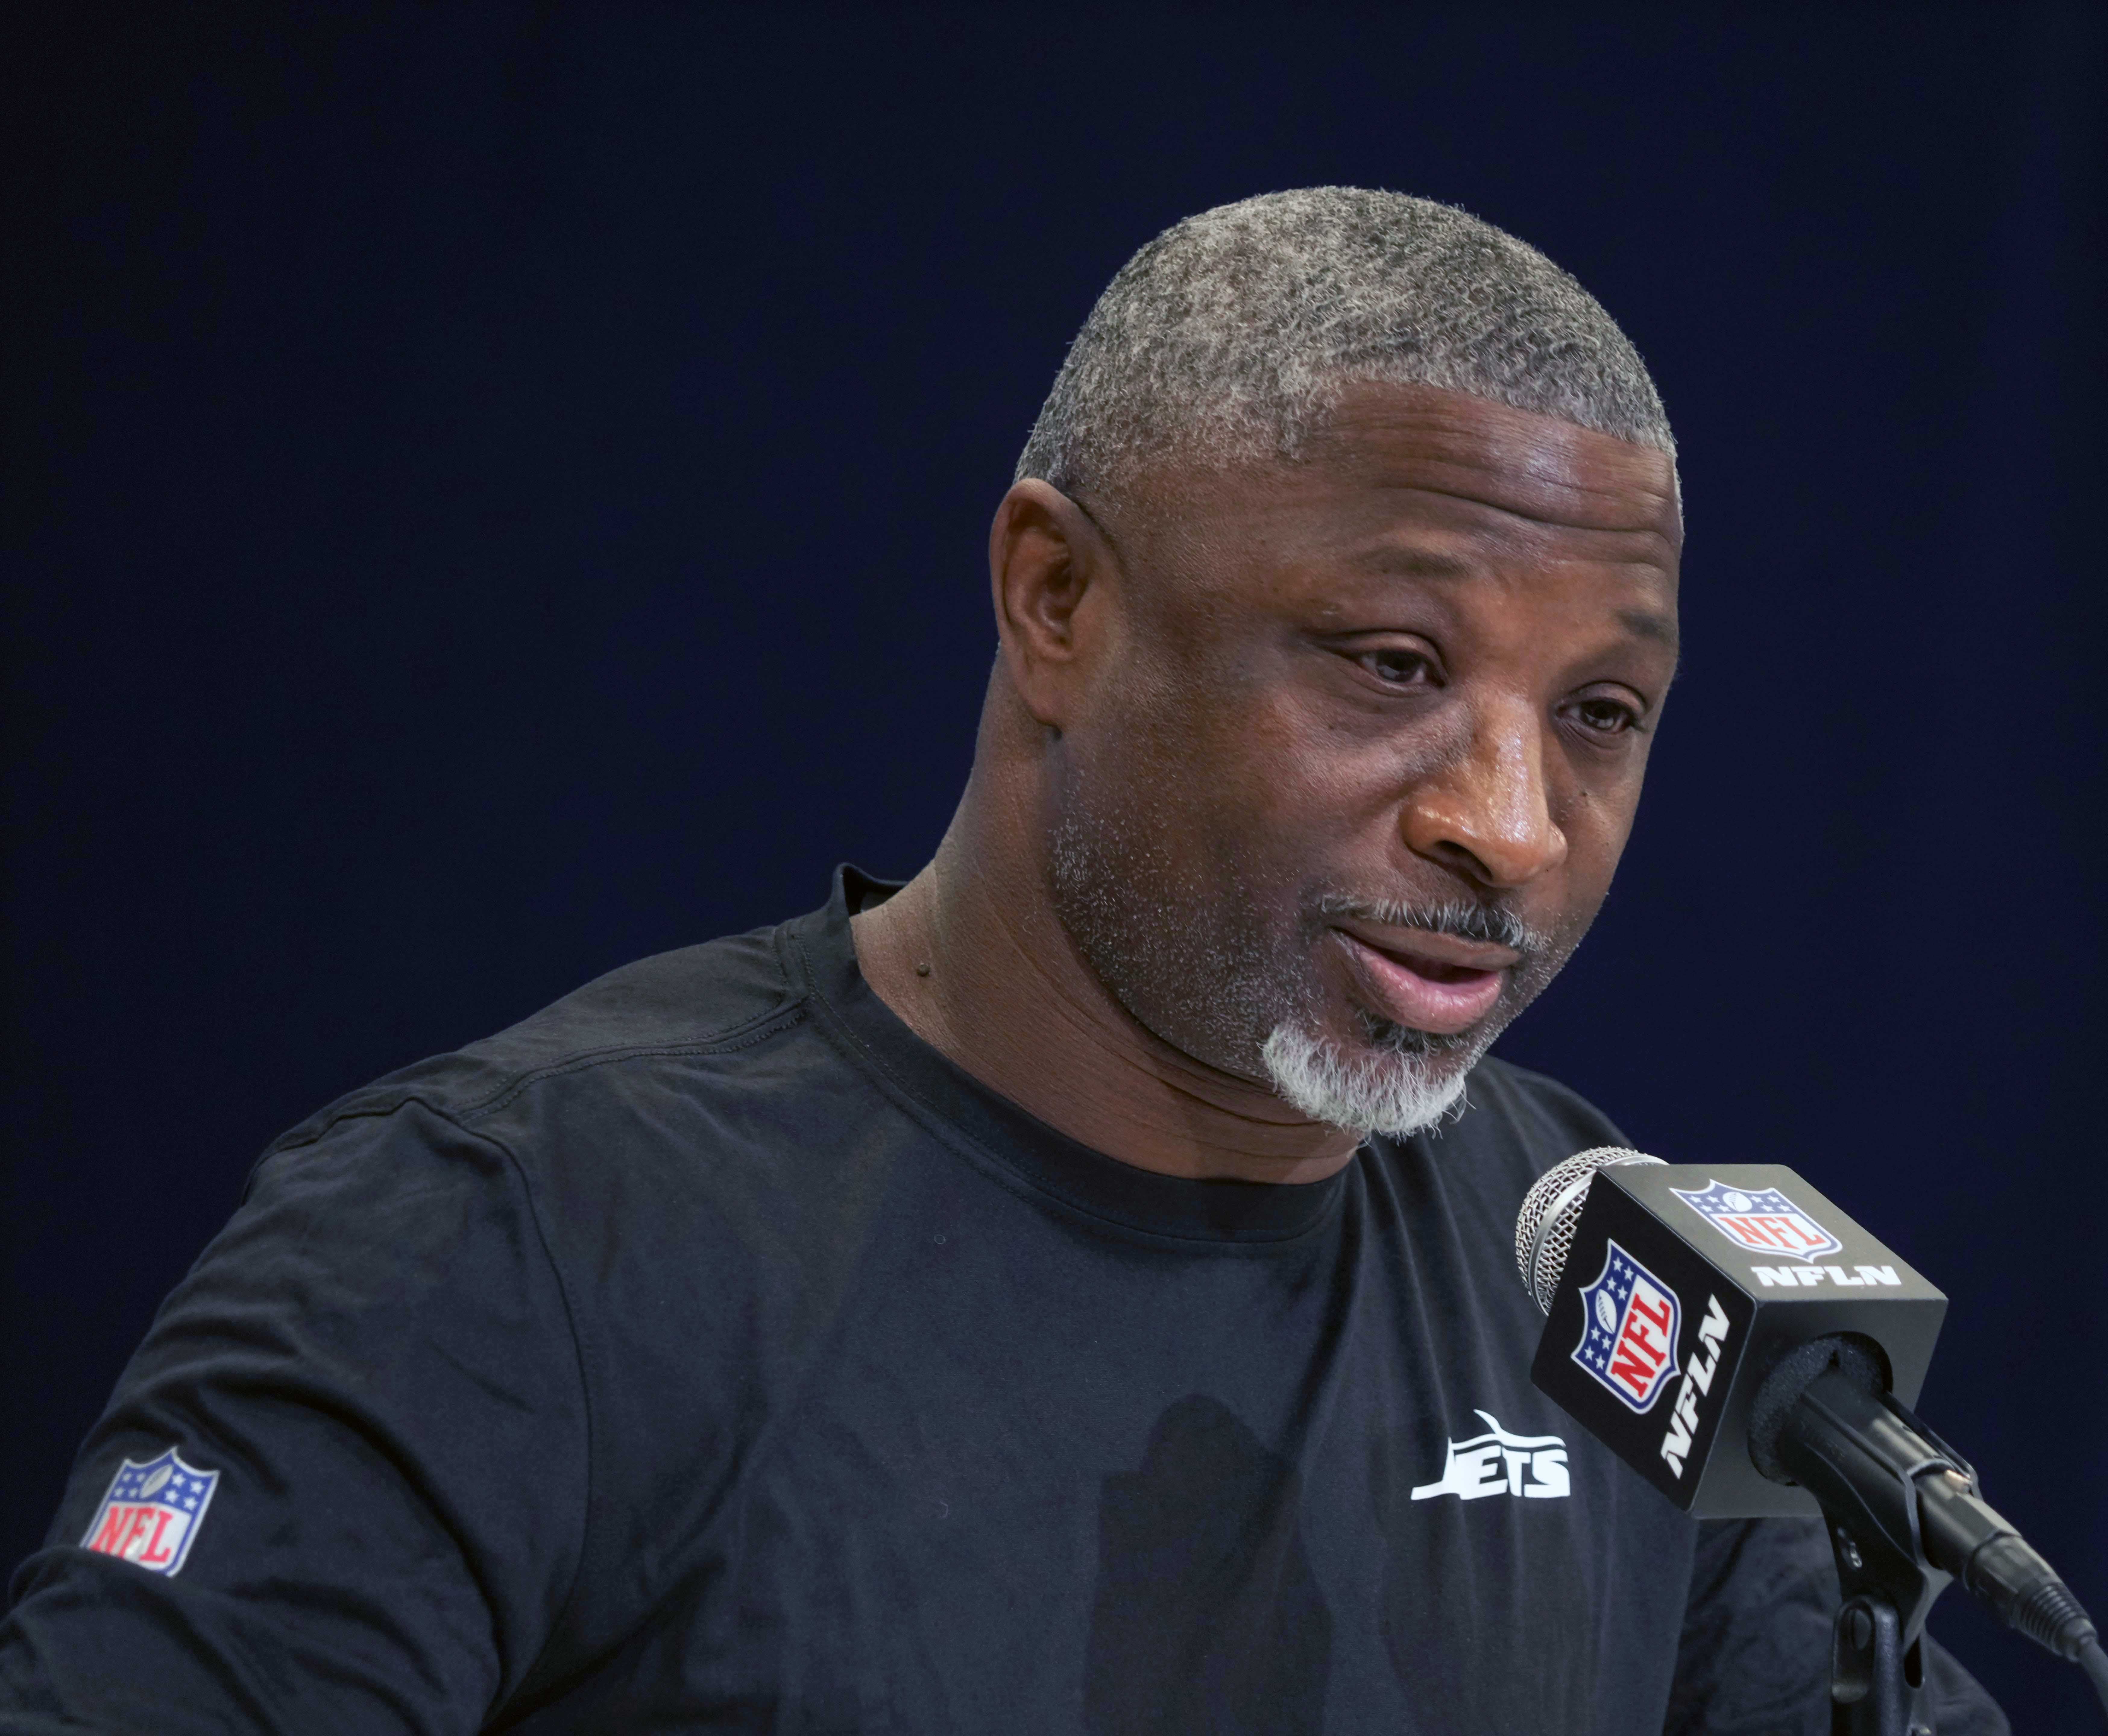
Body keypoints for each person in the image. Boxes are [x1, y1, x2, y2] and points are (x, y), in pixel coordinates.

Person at [0, 188, 2005, 1734]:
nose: (1516, 821)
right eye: (1395, 667)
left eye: (1602, 713)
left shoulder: (1614, 1287)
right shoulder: (503, 1241)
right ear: (1058, 601)